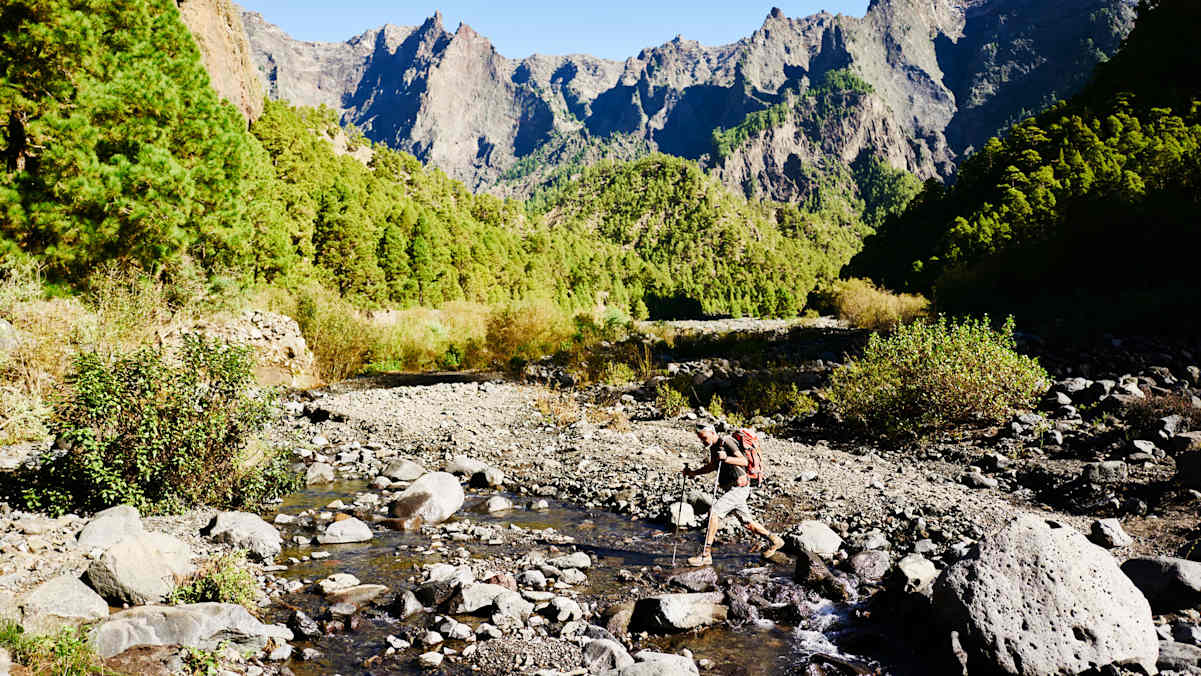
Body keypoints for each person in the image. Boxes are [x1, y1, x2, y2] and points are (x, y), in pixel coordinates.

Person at [682, 424, 784, 566]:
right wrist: (693, 473)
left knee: (713, 513)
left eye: (704, 438)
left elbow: (744, 461)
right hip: (733, 490)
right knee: (748, 523)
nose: (703, 441)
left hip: (739, 488)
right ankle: (775, 540)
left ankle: (706, 554)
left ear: (712, 433)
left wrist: (726, 458)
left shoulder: (727, 442)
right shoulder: (713, 446)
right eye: (701, 439)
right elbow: (712, 466)